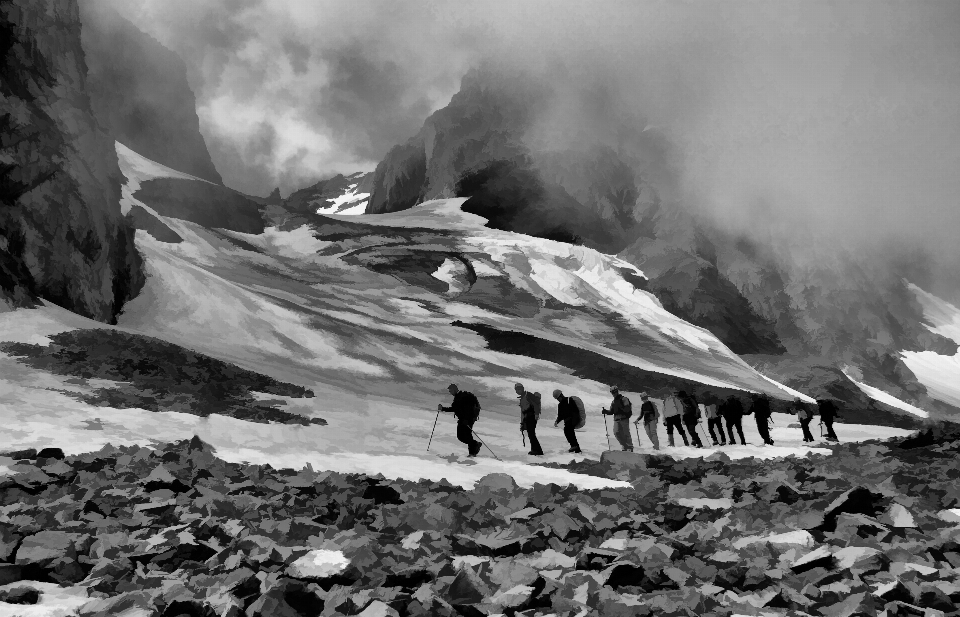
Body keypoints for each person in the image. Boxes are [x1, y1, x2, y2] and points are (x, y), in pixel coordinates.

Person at [438, 384, 482, 456]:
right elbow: (455, 409)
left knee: (464, 436)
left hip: (467, 419)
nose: (450, 392)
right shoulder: (458, 397)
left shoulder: (462, 397)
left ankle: (473, 451)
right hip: (464, 419)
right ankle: (474, 447)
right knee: (462, 436)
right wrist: (443, 409)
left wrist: (467, 419)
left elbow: (468, 408)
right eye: (449, 391)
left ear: (455, 389)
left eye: (451, 390)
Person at [602, 386, 634, 452]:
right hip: (617, 419)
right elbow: (611, 412)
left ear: (617, 391)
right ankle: (624, 445)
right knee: (616, 432)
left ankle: (630, 447)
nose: (614, 393)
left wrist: (621, 408)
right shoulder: (613, 402)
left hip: (624, 418)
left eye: (614, 391)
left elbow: (627, 408)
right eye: (612, 392)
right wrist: (605, 411)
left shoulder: (624, 399)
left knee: (626, 433)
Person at [516, 383, 543, 456]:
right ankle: (535, 449)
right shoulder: (522, 398)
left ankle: (537, 450)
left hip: (531, 416)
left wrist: (536, 414)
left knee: (531, 433)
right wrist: (522, 422)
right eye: (517, 390)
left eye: (519, 389)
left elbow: (535, 405)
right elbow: (522, 411)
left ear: (522, 389)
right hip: (527, 417)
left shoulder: (528, 395)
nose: (518, 391)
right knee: (530, 433)